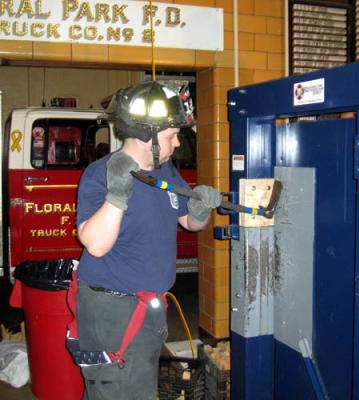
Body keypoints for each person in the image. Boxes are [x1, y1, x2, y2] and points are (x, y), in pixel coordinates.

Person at [74, 80, 222, 400]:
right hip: (112, 311)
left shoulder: (165, 171)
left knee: (124, 388)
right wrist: (116, 195)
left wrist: (201, 209)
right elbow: (95, 244)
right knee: (118, 390)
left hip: (148, 307)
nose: (178, 144)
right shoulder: (100, 174)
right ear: (147, 136)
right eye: (171, 136)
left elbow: (190, 223)